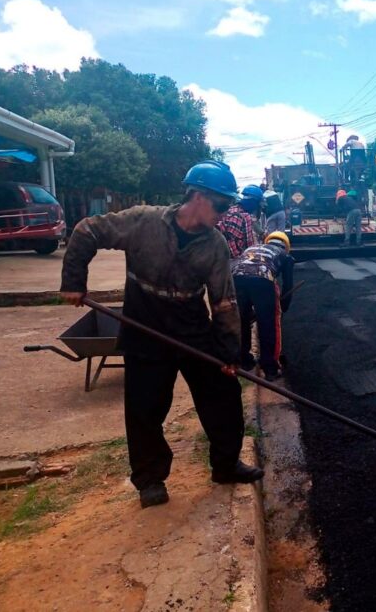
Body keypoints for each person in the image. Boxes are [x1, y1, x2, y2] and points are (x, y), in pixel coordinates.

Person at [60, 160, 263, 509]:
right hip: (146, 322)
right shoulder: (143, 221)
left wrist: (230, 355)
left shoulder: (214, 245)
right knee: (144, 407)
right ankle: (150, 479)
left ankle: (226, 465)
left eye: (229, 205)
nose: (226, 211)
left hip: (191, 325)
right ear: (197, 196)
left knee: (223, 394)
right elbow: (86, 231)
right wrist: (74, 282)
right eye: (221, 204)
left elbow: (225, 303)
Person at [233, 232, 294, 381]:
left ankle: (245, 360)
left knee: (243, 321)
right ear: (285, 246)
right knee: (267, 324)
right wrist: (283, 305)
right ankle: (270, 368)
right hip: (262, 279)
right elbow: (288, 285)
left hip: (237, 279)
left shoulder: (251, 248)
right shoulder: (286, 256)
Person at [216, 185, 261, 258]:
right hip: (233, 259)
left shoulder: (230, 210)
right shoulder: (245, 216)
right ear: (255, 203)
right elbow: (250, 246)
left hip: (219, 255)